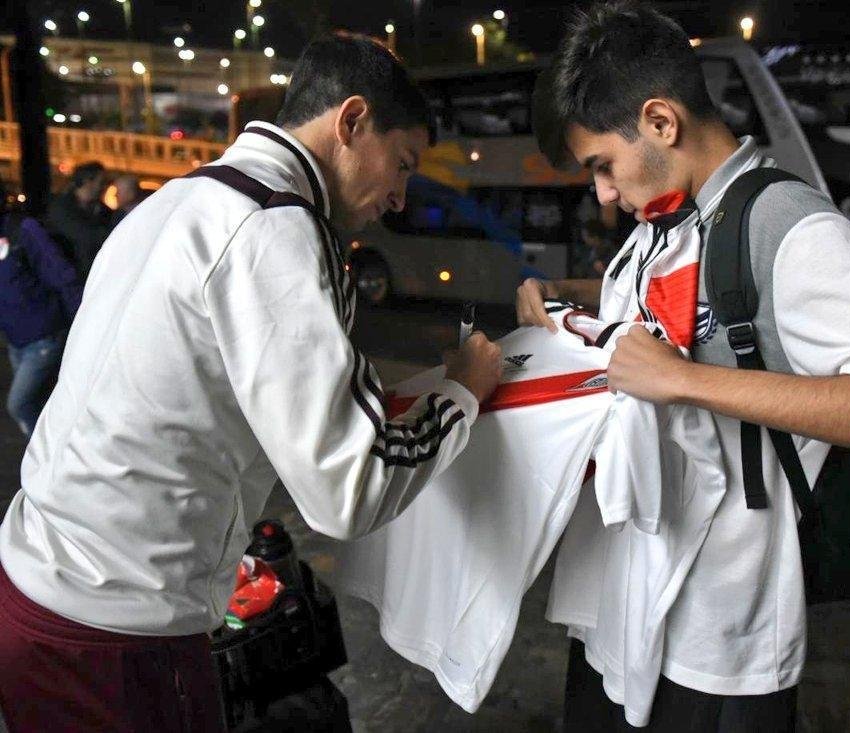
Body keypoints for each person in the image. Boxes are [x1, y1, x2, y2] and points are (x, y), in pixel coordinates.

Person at [0, 33, 501, 733]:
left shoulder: (182, 200)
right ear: (351, 122)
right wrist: (463, 391)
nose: (398, 196)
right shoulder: (273, 229)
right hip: (117, 629)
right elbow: (349, 487)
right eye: (403, 164)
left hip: (40, 592)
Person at [518, 3, 850, 731]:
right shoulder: (664, 224)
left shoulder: (788, 227)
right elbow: (675, 328)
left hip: (718, 640)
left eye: (603, 166)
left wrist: (686, 379)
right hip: (621, 613)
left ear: (661, 122)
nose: (601, 193)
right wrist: (564, 301)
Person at [0, 184, 83, 437]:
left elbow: (62, 275)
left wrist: (83, 324)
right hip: (18, 340)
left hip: (45, 336)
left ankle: (46, 463)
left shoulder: (23, 230)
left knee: (20, 404)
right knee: (44, 403)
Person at [45, 160, 112, 278]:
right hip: (71, 276)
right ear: (87, 181)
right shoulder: (62, 208)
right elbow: (84, 236)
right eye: (101, 182)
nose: (104, 186)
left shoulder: (103, 211)